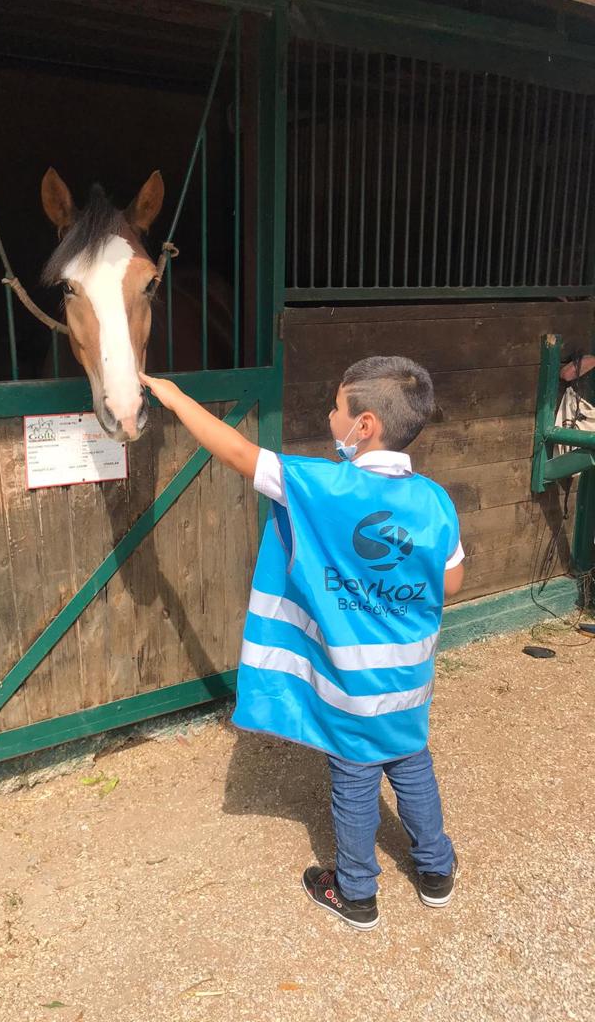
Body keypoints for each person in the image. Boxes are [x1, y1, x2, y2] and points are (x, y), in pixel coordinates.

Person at [140, 356, 465, 931]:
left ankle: (356, 893)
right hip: (411, 683)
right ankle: (436, 872)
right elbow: (452, 581)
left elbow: (237, 453)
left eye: (336, 408)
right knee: (411, 763)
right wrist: (391, 587)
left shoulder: (322, 486)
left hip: (351, 688)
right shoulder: (435, 499)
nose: (329, 417)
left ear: (364, 425)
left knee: (356, 777)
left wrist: (174, 397)